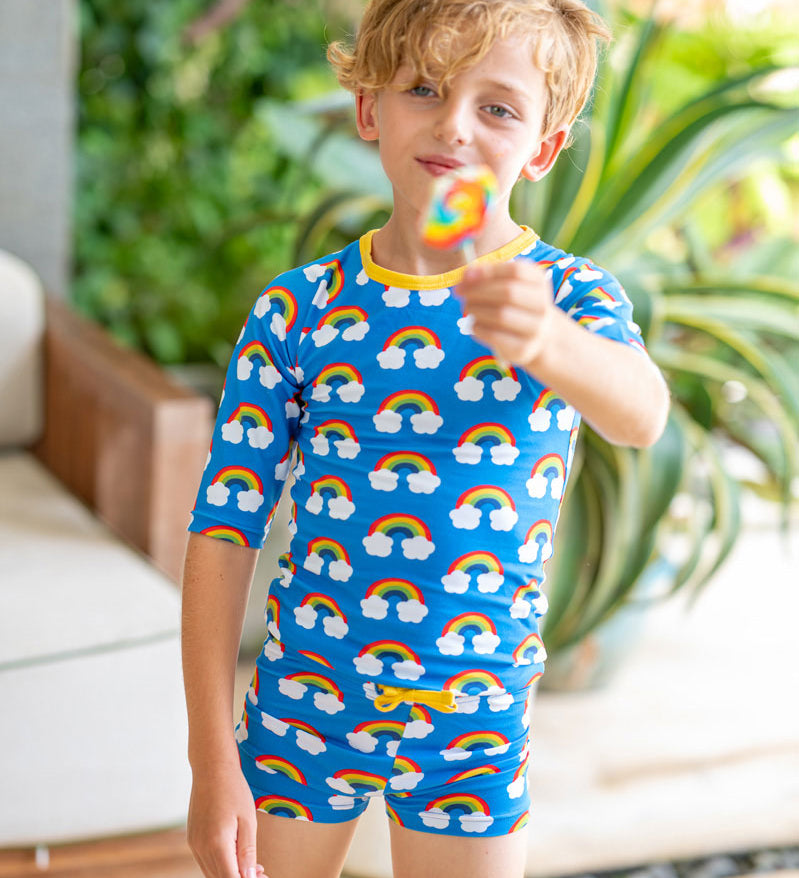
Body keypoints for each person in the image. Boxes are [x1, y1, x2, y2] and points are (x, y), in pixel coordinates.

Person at [180, 1, 670, 876]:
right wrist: (211, 759)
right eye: (422, 88)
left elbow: (639, 415)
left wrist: (548, 342)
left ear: (543, 146)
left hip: (474, 726)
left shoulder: (565, 298)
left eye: (497, 107)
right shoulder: (299, 308)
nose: (453, 125)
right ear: (369, 108)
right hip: (304, 710)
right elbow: (224, 530)